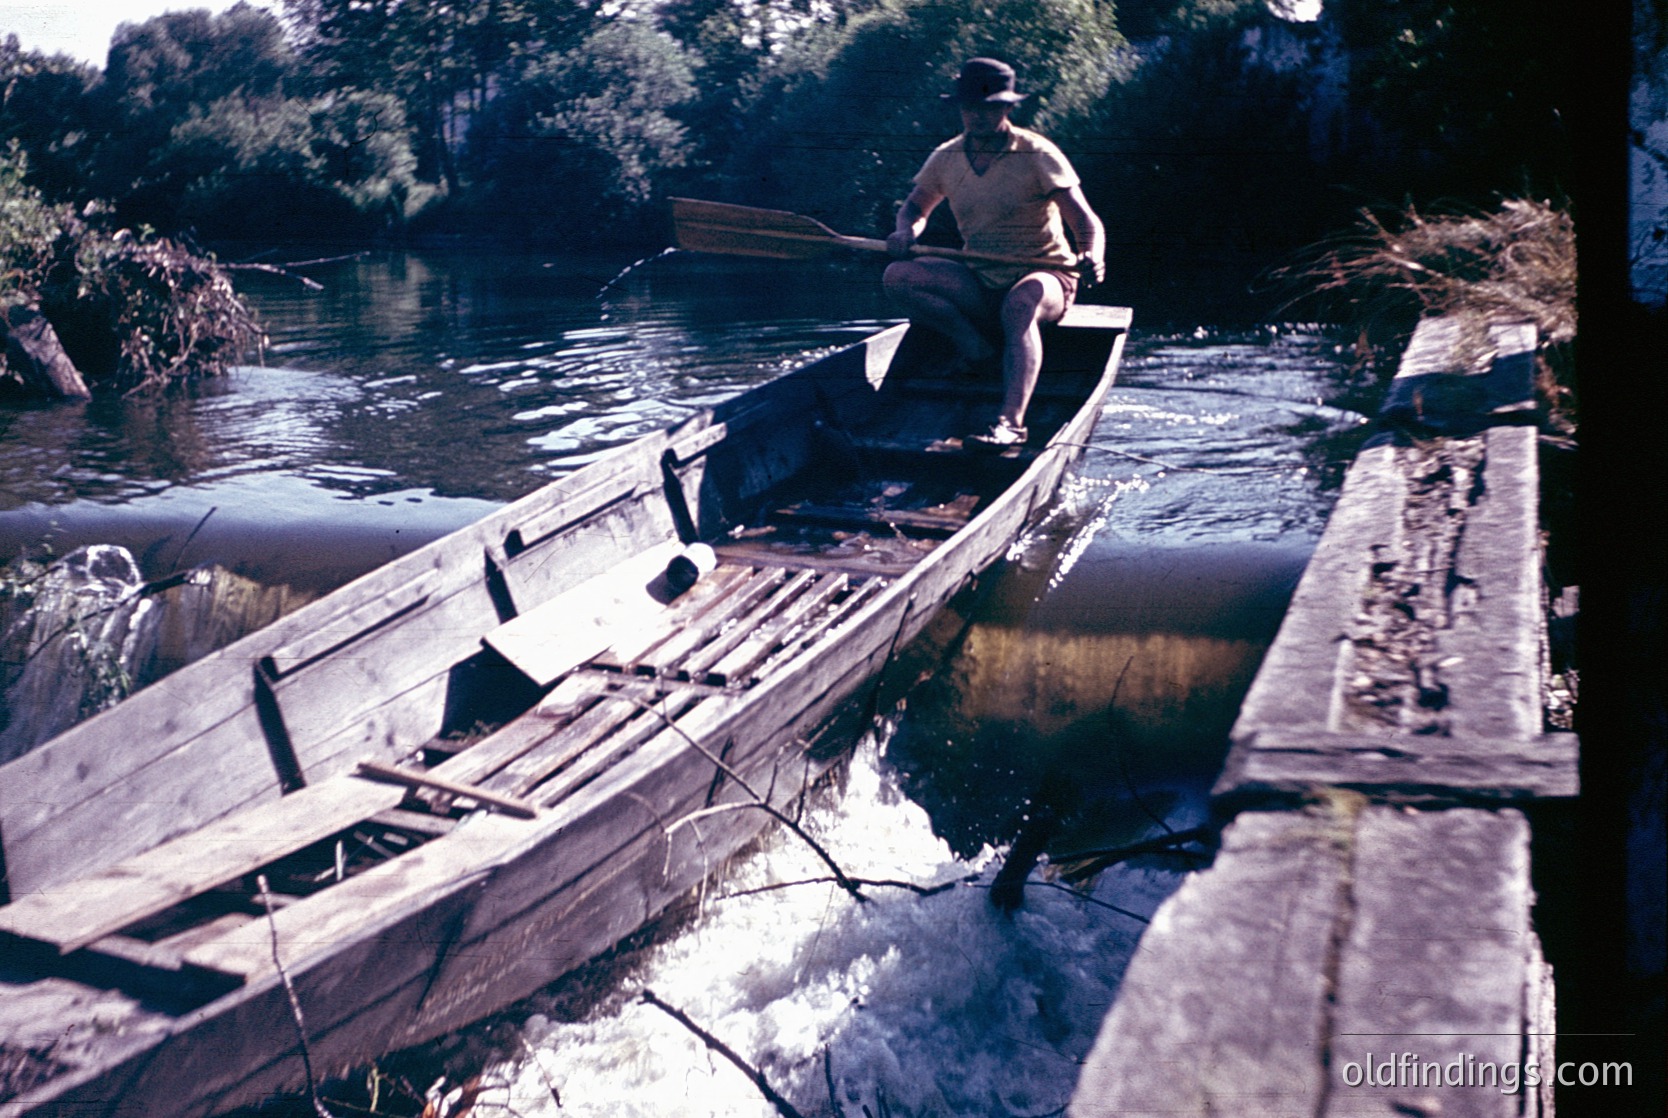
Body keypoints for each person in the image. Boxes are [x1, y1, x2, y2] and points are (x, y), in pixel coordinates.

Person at [884, 57, 1106, 450]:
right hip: (981, 278)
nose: (979, 117)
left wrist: (1092, 255)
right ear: (960, 108)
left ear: (1007, 108)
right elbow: (914, 207)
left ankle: (1010, 423)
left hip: (1046, 276)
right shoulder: (947, 157)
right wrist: (906, 231)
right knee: (898, 277)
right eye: (971, 108)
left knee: (1020, 304)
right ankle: (976, 348)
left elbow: (1086, 222)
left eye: (990, 108)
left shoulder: (1037, 153)